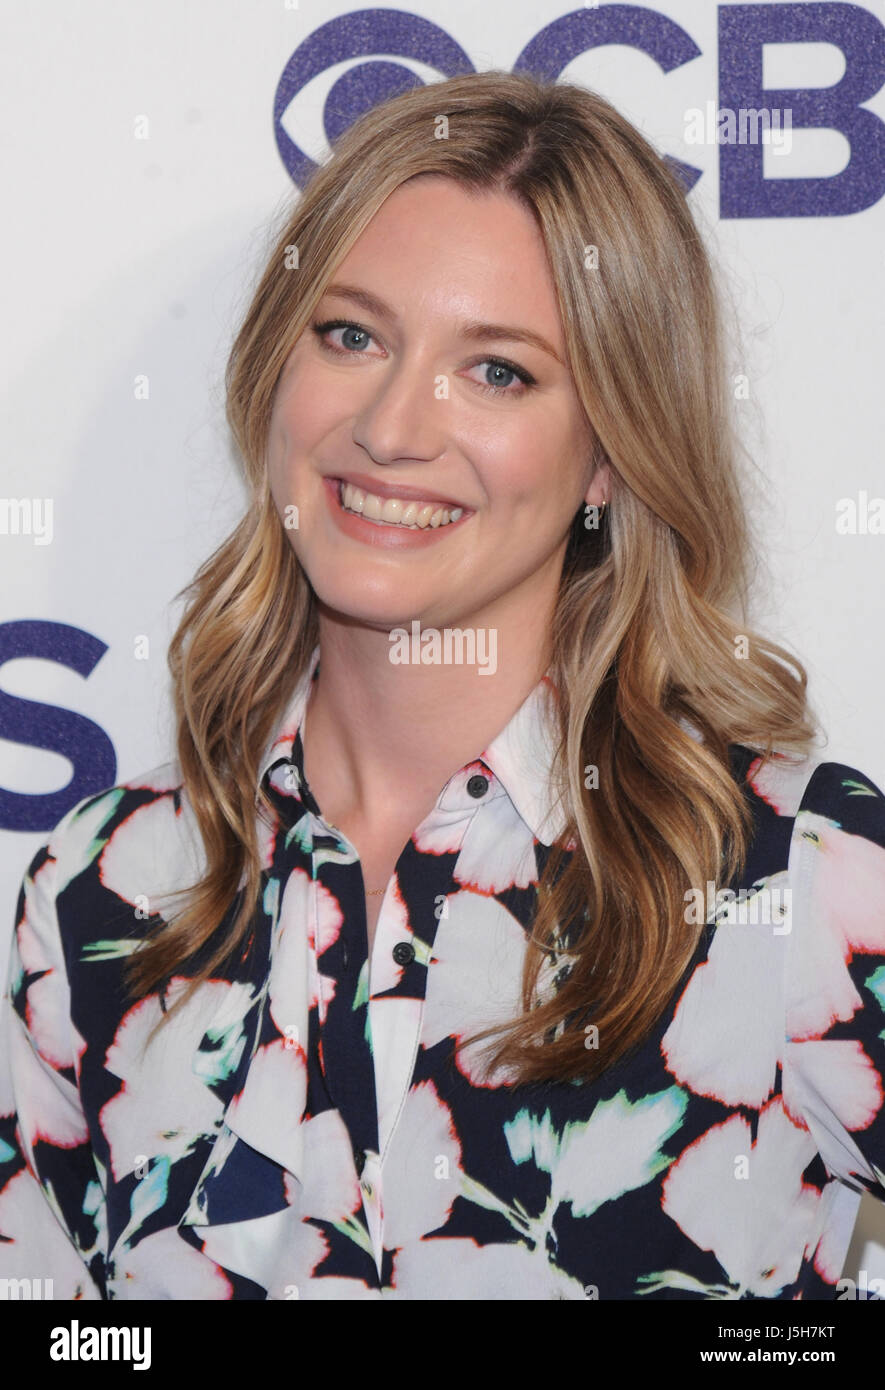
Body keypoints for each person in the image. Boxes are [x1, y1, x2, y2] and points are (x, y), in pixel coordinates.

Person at [2, 69, 884, 1302]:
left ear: (613, 461)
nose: (392, 426)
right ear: (274, 373)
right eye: (351, 334)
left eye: (500, 372)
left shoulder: (799, 872)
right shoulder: (107, 881)